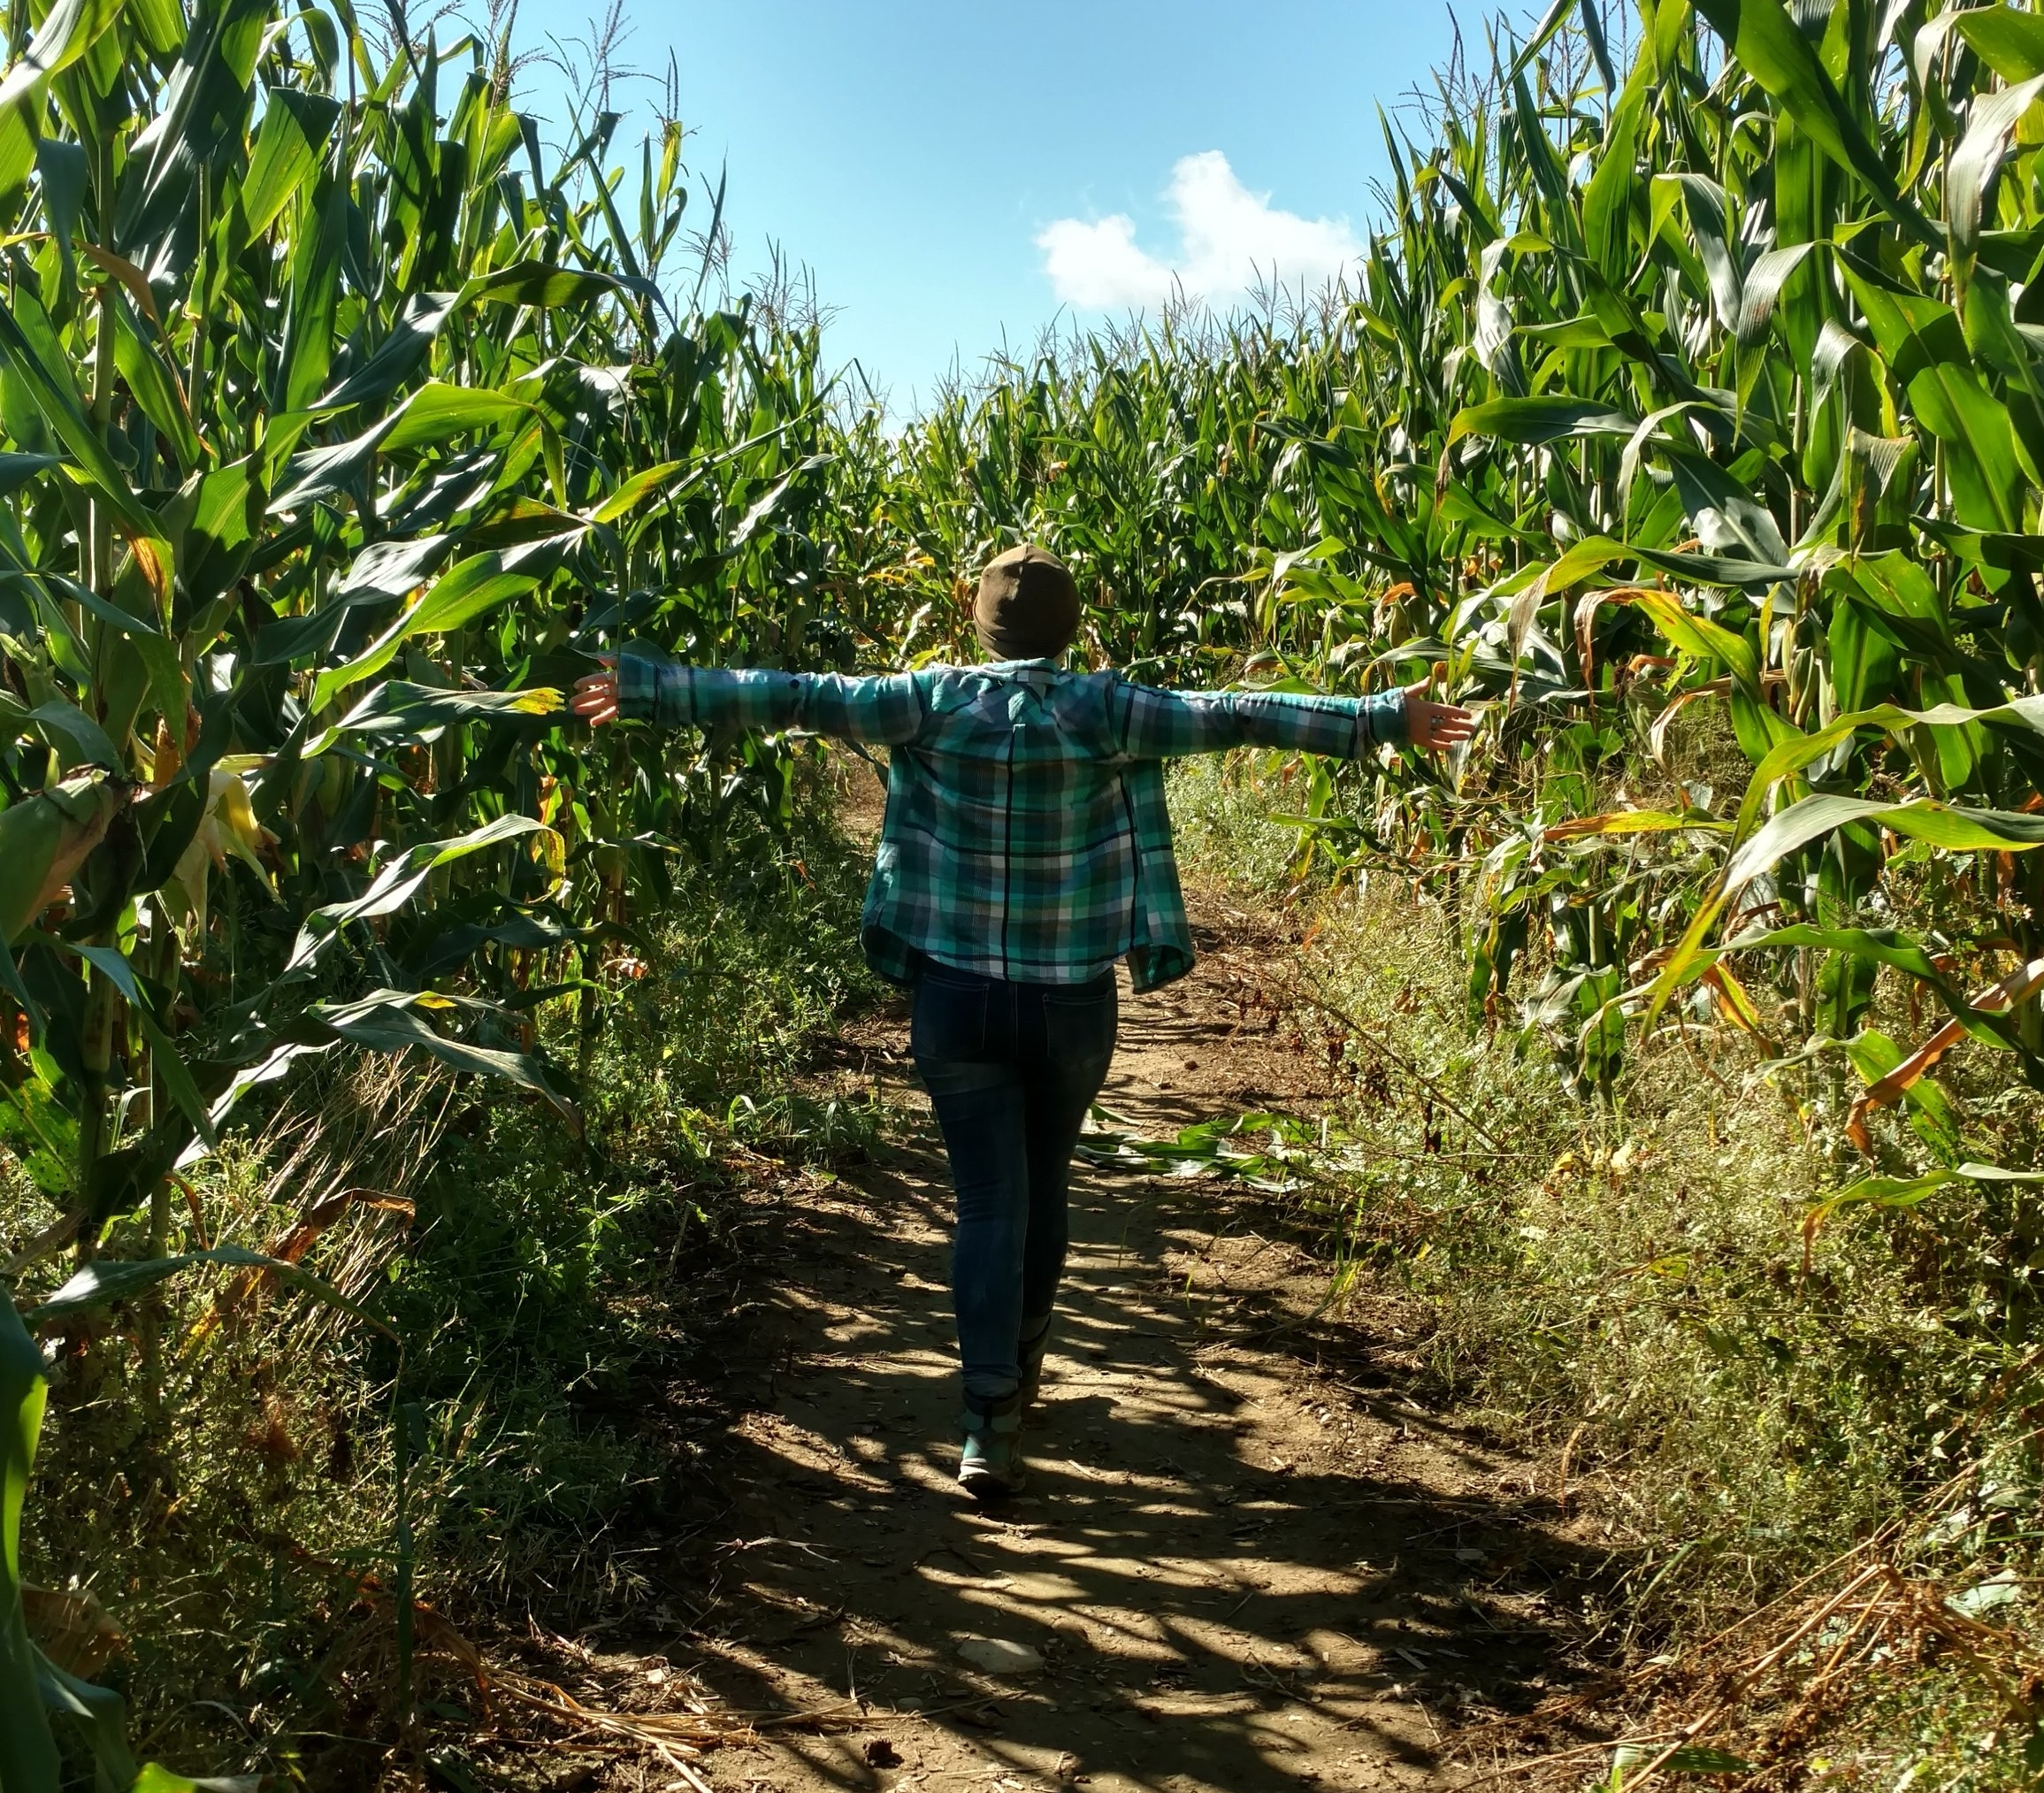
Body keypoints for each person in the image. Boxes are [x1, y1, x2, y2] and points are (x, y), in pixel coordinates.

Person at [570, 543, 1474, 1499]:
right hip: (1070, 1001)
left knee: (988, 1203)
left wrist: (654, 688)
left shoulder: (926, 699)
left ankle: (985, 1422)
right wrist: (1382, 716)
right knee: (1044, 1188)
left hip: (956, 1000)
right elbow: (1238, 712)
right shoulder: (1109, 708)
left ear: (978, 622)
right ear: (1070, 627)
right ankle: (1023, 1368)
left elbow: (792, 694)